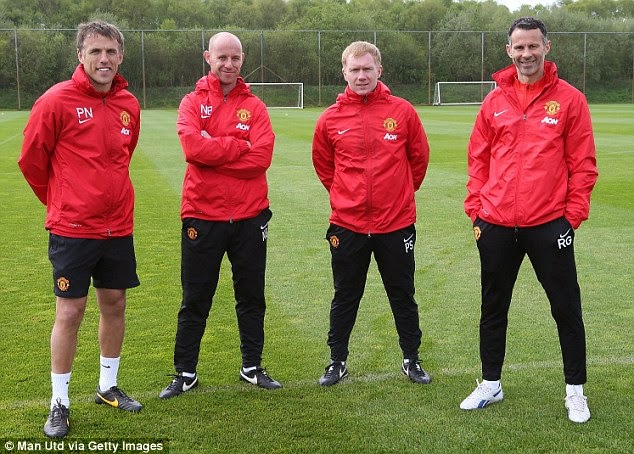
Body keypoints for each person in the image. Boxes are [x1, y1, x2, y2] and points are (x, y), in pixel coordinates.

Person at [461, 17, 598, 424]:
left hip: (549, 224)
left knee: (566, 308)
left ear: (546, 47)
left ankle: (575, 391)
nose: (526, 54)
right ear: (509, 51)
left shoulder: (570, 100)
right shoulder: (494, 101)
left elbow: (583, 165)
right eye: (519, 47)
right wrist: (477, 211)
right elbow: (477, 159)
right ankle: (491, 383)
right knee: (493, 307)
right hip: (496, 223)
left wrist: (571, 218)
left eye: (533, 46)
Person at [18, 21, 143, 438]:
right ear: (80, 56)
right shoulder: (56, 100)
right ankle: (60, 401)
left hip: (117, 226)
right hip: (72, 229)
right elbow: (32, 161)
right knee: (70, 311)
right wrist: (64, 203)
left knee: (115, 304)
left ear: (120, 56)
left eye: (110, 51)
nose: (103, 59)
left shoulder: (128, 104)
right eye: (95, 51)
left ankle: (107, 387)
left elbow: (124, 155)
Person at [159, 32, 281, 399]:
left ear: (242, 59)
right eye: (222, 57)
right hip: (202, 215)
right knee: (195, 298)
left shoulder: (255, 107)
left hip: (250, 217)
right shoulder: (191, 102)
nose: (229, 64)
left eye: (235, 58)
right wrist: (237, 146)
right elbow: (192, 149)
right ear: (207, 57)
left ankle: (251, 366)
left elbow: (261, 158)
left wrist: (214, 149)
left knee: (251, 296)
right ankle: (185, 372)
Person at [312, 41, 431, 387]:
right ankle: (337, 361)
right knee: (345, 295)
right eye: (355, 69)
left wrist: (398, 195)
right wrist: (346, 195)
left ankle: (411, 359)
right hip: (347, 224)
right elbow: (324, 166)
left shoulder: (403, 112)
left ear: (379, 70)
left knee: (402, 294)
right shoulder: (330, 119)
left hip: (395, 224)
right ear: (344, 72)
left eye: (367, 69)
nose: (361, 75)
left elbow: (419, 160)